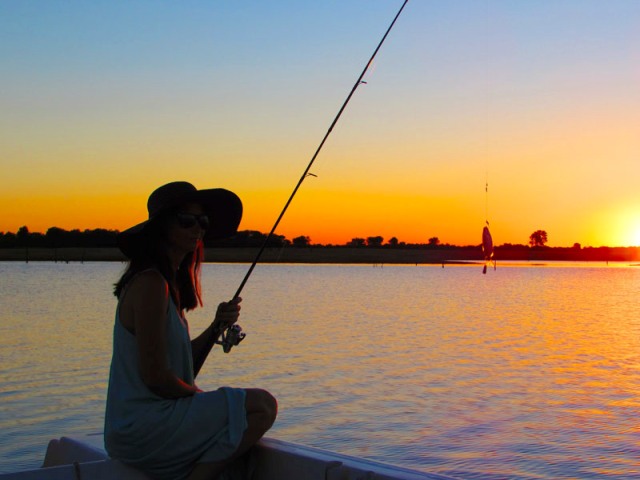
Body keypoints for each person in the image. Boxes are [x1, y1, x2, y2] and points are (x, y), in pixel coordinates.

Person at [104, 181, 277, 480]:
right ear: (161, 227)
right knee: (262, 406)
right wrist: (199, 398)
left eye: (203, 222)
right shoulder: (150, 284)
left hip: (150, 422)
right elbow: (156, 379)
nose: (197, 229)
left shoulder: (167, 287)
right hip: (142, 427)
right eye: (186, 220)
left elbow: (180, 371)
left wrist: (215, 328)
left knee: (242, 411)